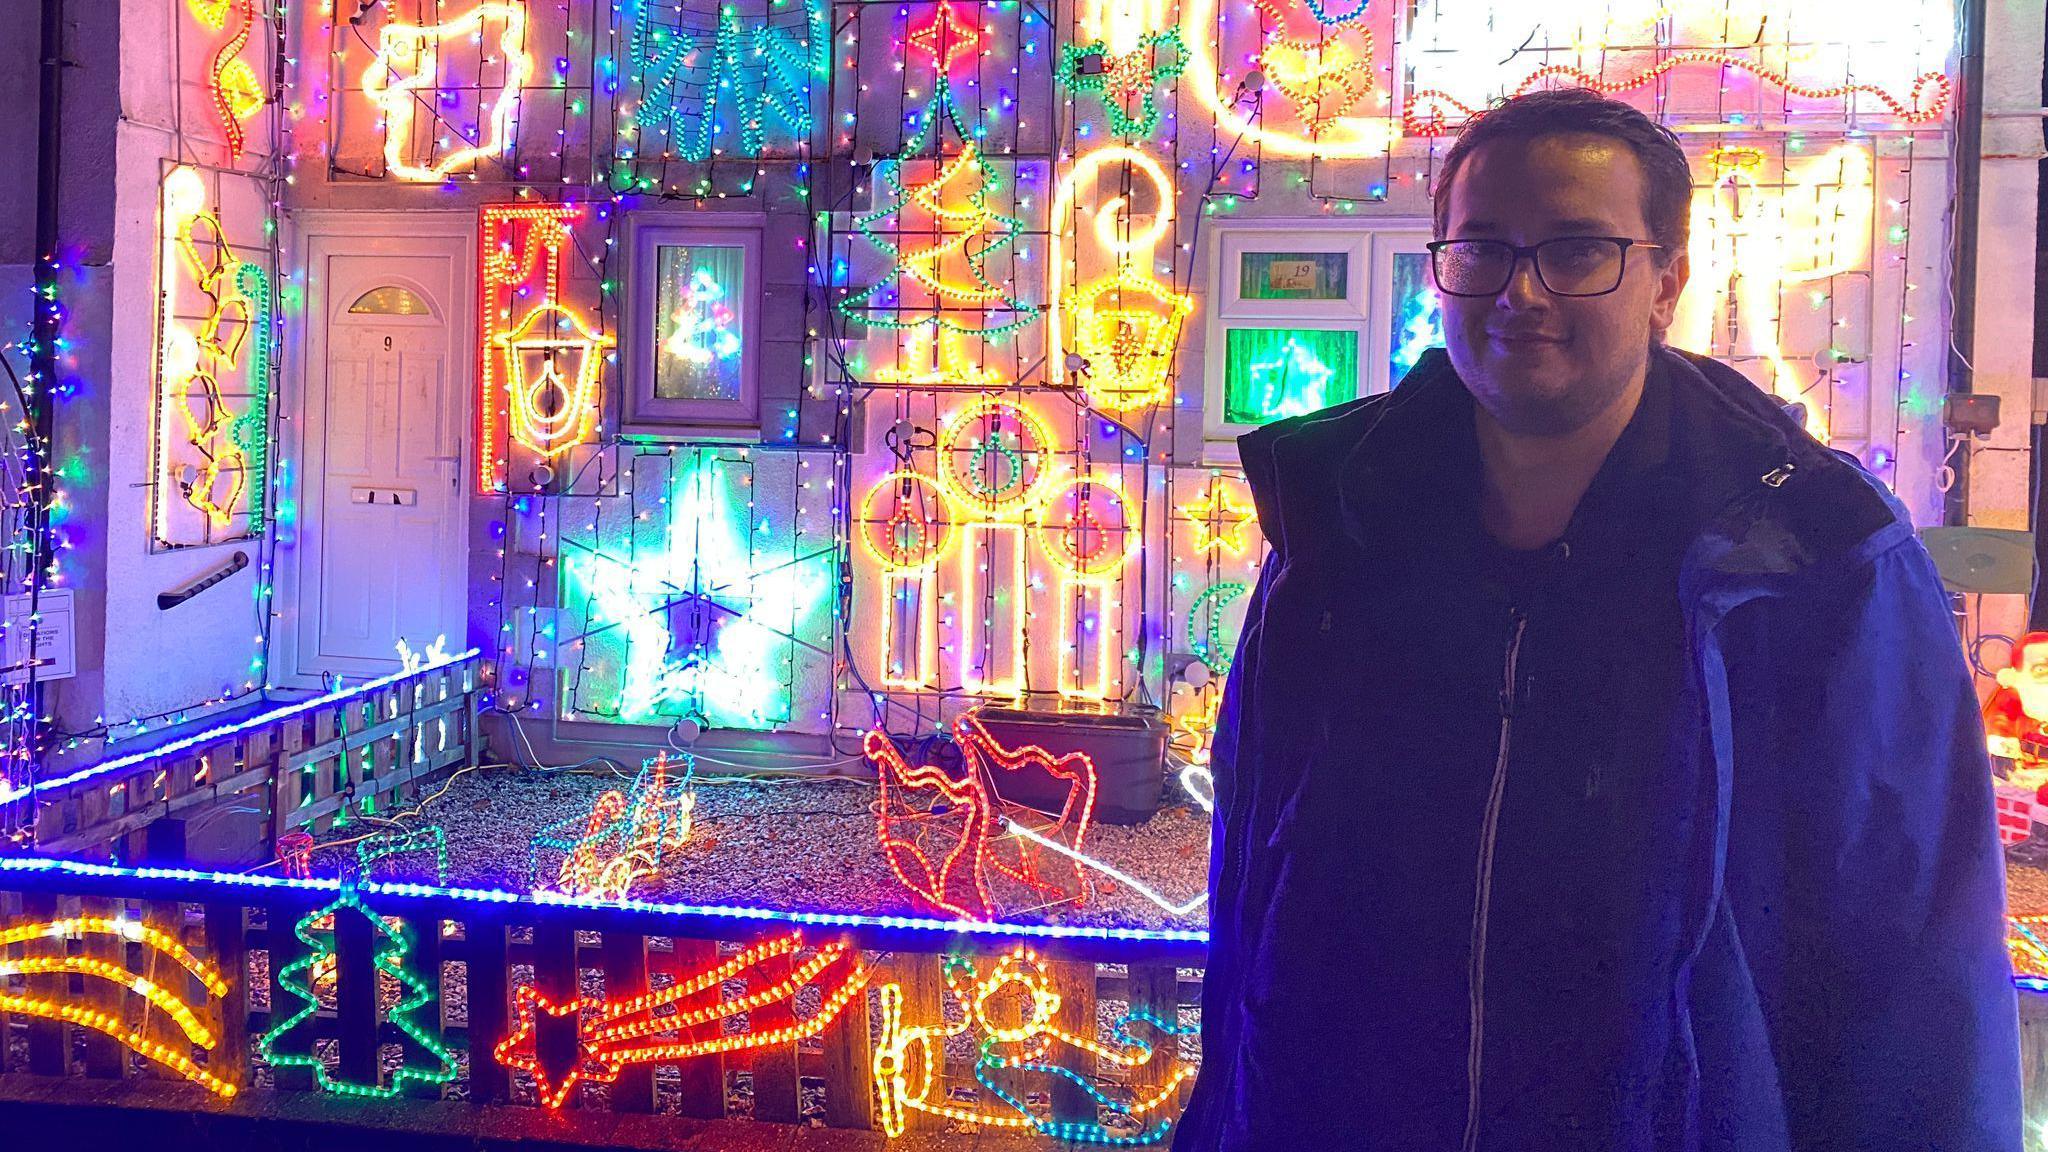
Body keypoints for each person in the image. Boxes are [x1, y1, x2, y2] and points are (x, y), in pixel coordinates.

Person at [1174, 88, 2020, 1151]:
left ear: (1664, 278)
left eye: (1575, 251)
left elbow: (1913, 953)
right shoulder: (1337, 517)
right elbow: (1256, 873)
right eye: (1481, 248)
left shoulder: (1814, 551)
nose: (1518, 293)